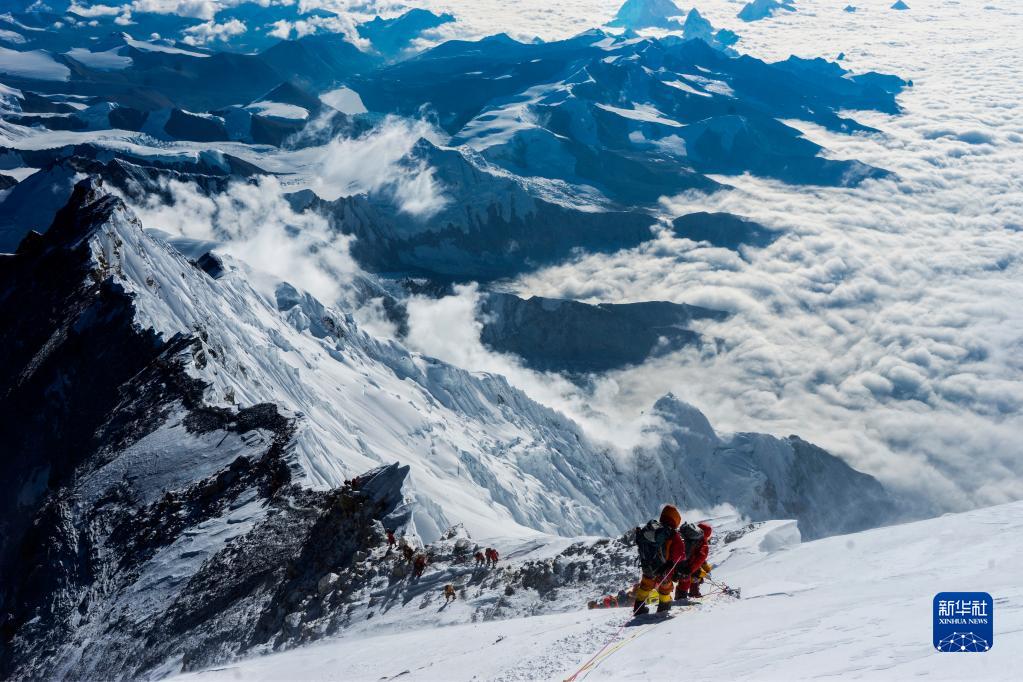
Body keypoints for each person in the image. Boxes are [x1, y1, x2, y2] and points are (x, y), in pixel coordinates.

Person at [632, 504, 686, 615]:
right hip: (664, 568)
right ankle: (663, 608)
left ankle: (638, 608)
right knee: (665, 588)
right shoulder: (672, 534)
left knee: (645, 585)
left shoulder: (653, 528)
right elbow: (681, 554)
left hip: (648, 565)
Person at [675, 522, 712, 600]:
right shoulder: (703, 543)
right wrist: (691, 570)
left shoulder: (688, 537)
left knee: (685, 579)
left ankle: (681, 596)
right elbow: (700, 560)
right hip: (689, 566)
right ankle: (691, 594)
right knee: (696, 576)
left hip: (678, 561)